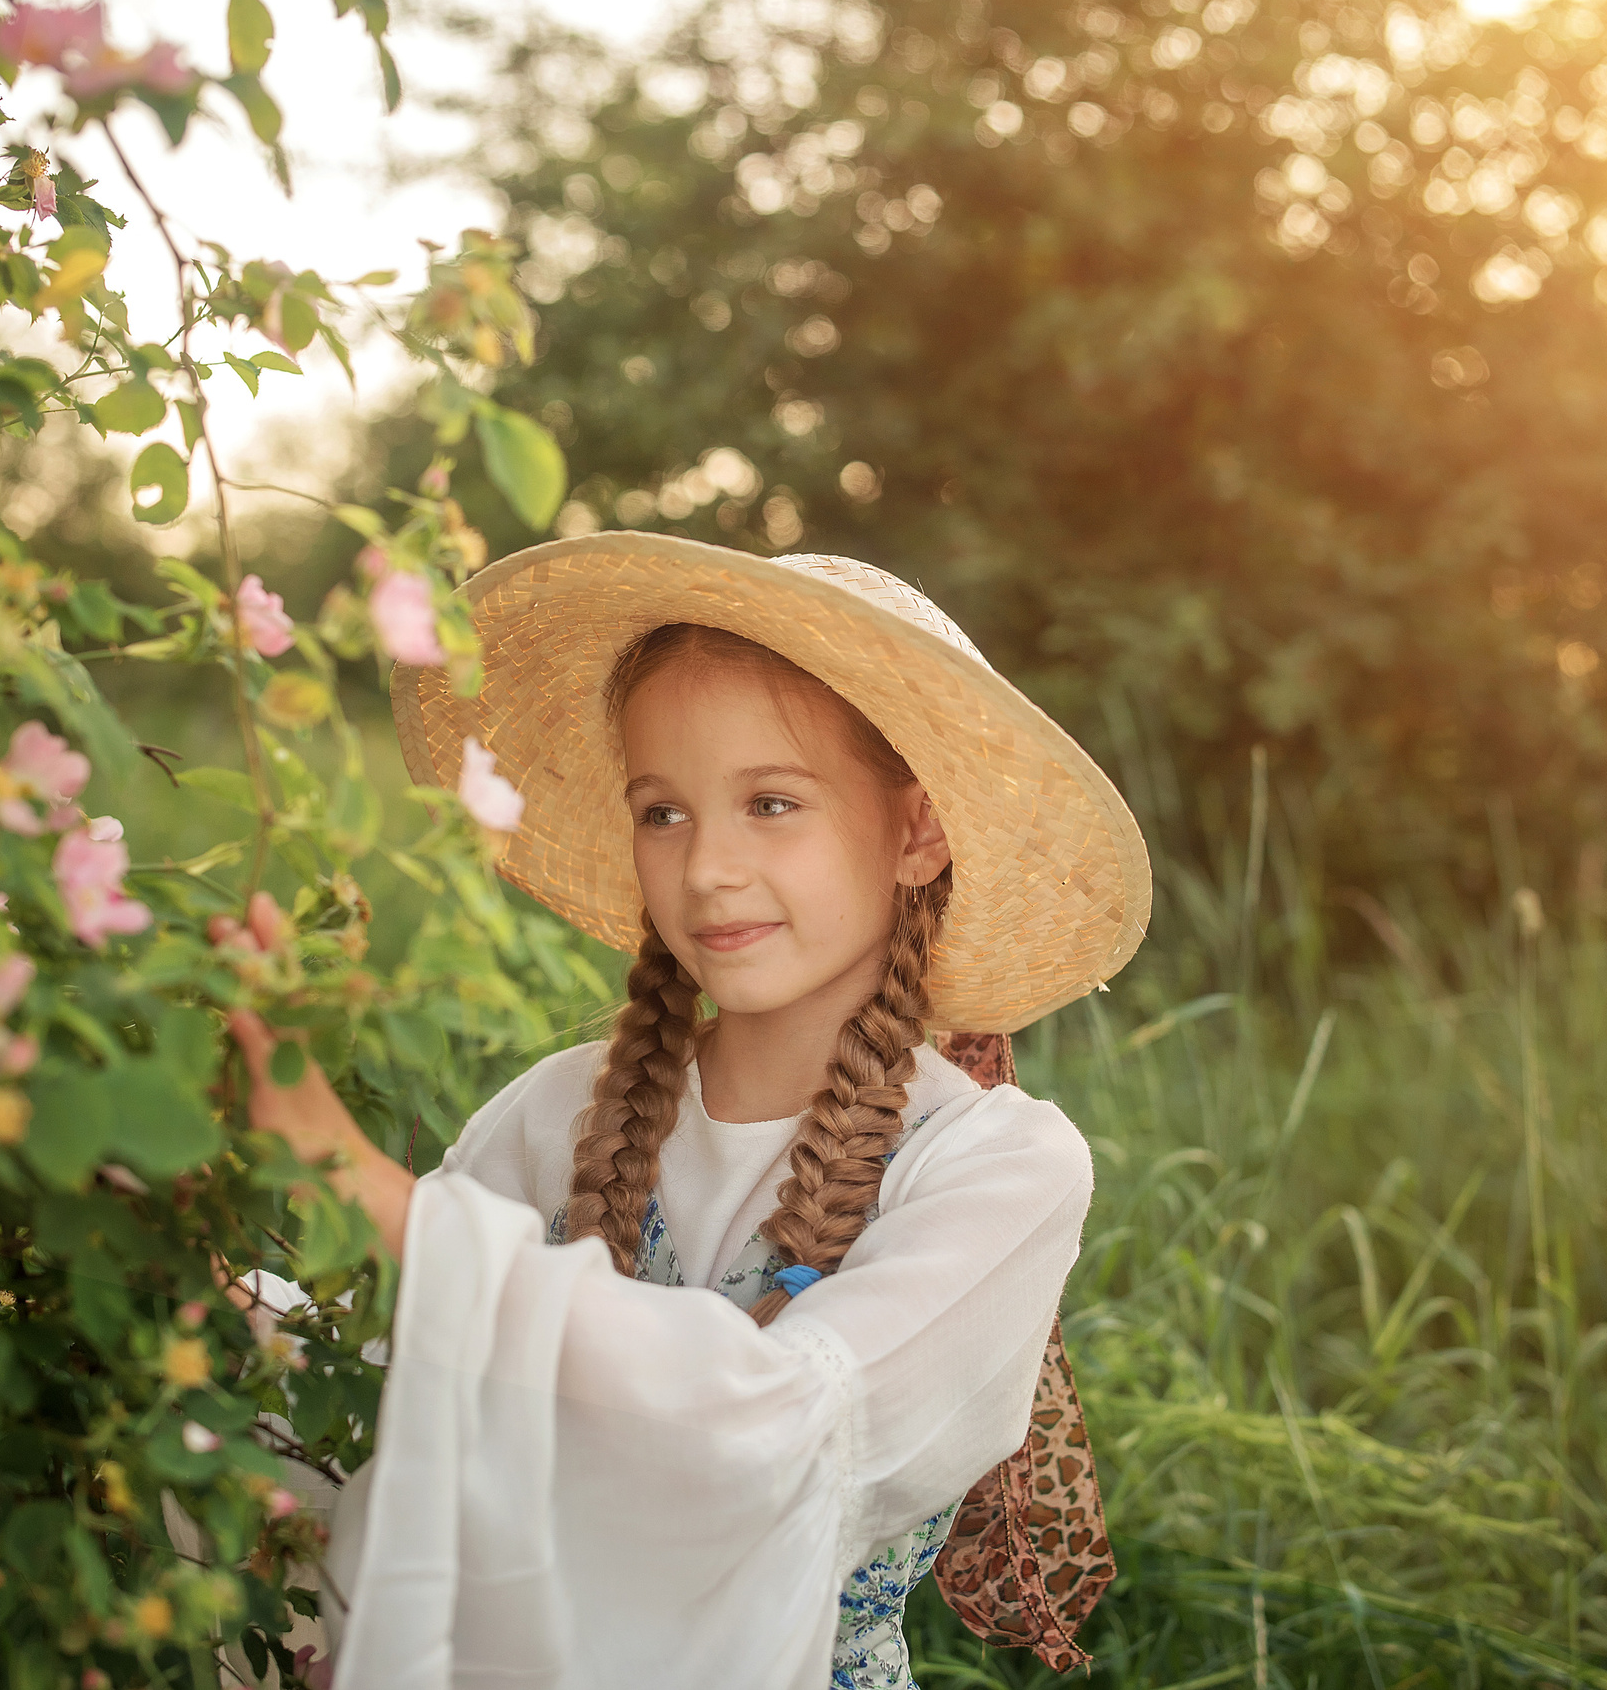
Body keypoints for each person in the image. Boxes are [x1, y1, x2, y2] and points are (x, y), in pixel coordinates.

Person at [228, 535, 1150, 1690]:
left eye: (771, 802)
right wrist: (210, 1308)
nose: (708, 864)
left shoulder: (996, 1164)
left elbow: (780, 1425)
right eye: (661, 811)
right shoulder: (556, 1109)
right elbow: (380, 1391)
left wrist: (363, 1183)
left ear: (915, 830)